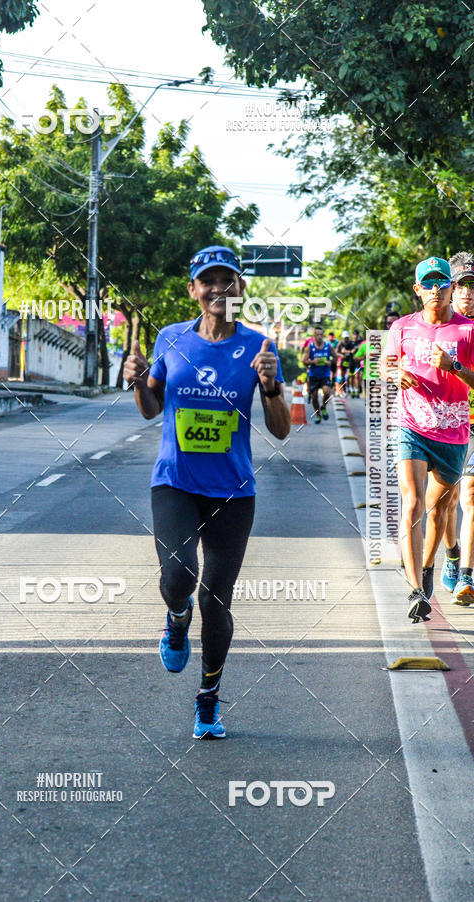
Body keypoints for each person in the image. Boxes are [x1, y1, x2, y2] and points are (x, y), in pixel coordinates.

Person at [123, 245, 291, 739]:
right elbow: (151, 407)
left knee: (217, 600)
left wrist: (273, 387)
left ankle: (209, 699)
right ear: (193, 289)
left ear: (241, 289)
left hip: (234, 493)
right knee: (178, 577)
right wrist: (137, 382)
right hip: (174, 482)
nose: (219, 289)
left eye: (228, 281)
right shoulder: (171, 340)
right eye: (208, 281)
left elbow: (280, 430)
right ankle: (177, 617)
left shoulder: (259, 348)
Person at [380, 256, 474, 623]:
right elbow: (386, 364)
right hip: (411, 426)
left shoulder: (467, 331)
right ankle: (416, 589)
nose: (436, 290)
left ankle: (429, 567)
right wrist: (394, 371)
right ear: (417, 289)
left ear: (451, 288)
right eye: (428, 284)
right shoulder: (401, 327)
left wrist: (453, 367)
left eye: (442, 283)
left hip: (453, 433)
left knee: (437, 511)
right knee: (414, 504)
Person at [440, 252, 474, 602]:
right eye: (461, 286)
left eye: (473, 286)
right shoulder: (436, 324)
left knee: (471, 497)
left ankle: (466, 576)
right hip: (445, 424)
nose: (468, 293)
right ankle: (451, 553)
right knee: (447, 502)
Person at [301, 324, 335, 423]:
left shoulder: (329, 346)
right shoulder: (310, 347)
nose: (319, 337)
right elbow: (304, 361)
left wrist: (330, 362)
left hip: (325, 374)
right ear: (314, 336)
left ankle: (323, 407)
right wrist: (312, 361)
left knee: (327, 392)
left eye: (321, 335)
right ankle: (318, 415)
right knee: (314, 397)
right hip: (313, 375)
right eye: (317, 335)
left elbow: (336, 358)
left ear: (323, 335)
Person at [337, 330, 354, 397]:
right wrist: (341, 355)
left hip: (350, 360)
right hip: (343, 361)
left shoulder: (351, 343)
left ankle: (350, 388)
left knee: (350, 375)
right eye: (345, 338)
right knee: (343, 376)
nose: (346, 339)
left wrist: (347, 351)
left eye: (347, 337)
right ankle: (343, 390)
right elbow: (337, 352)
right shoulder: (340, 343)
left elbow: (353, 351)